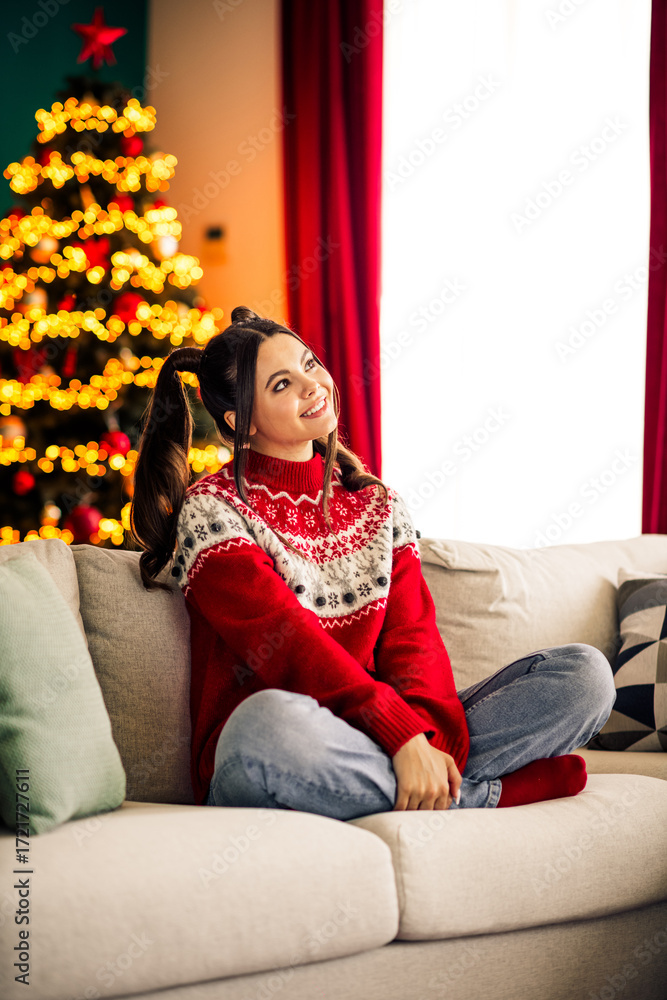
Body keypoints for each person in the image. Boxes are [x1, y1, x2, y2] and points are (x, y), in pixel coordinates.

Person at [129, 306, 616, 819]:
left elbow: (413, 640)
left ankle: (421, 785)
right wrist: (399, 735)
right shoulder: (213, 510)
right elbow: (290, 646)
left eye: (309, 363)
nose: (312, 384)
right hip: (278, 748)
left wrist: (425, 740)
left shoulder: (378, 505)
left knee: (584, 675)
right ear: (241, 423)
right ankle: (485, 797)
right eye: (281, 384)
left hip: (373, 742)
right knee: (265, 724)